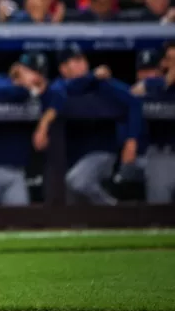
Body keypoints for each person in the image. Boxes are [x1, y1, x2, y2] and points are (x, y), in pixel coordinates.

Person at [33, 44, 141, 205]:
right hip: (70, 158)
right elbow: (57, 94)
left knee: (77, 180)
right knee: (72, 199)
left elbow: (133, 101)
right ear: (63, 68)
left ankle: (113, 209)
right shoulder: (61, 86)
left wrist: (131, 140)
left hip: (101, 152)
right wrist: (90, 77)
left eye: (82, 59)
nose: (81, 64)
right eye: (74, 61)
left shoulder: (101, 84)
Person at [0, 52, 51, 206]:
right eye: (30, 70)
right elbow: (7, 91)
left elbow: (59, 97)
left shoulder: (44, 93)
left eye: (39, 72)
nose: (35, 76)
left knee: (21, 219)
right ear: (18, 69)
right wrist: (31, 91)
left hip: (16, 171)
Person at [132, 43, 174, 204]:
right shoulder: (152, 85)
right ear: (164, 63)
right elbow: (133, 94)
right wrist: (164, 85)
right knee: (159, 214)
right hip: (163, 155)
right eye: (171, 60)